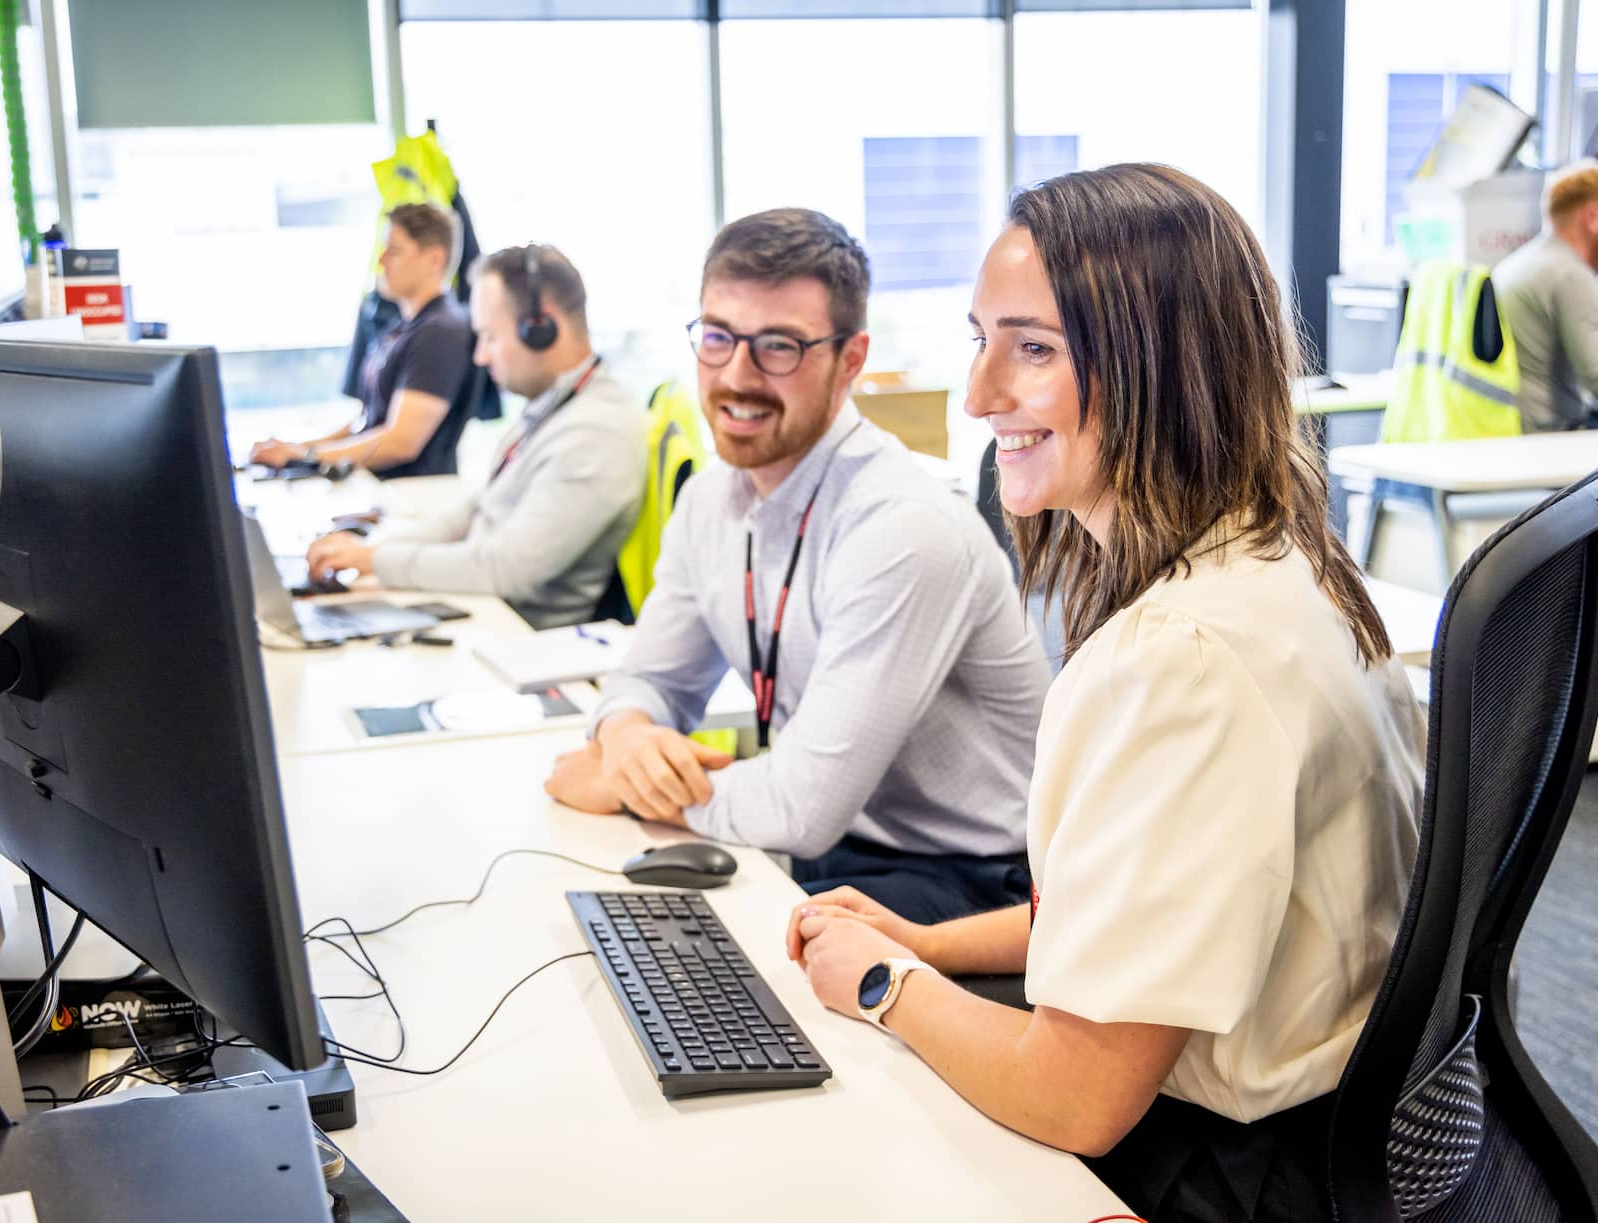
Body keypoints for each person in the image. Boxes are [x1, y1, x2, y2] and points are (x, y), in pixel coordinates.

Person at [785, 165, 1425, 1221]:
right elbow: (1143, 913)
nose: (981, 395)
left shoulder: (1185, 660)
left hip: (1223, 1172)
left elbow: (1076, 1094)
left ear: (1161, 370)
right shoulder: (1282, 566)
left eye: (1032, 348)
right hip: (1316, 1137)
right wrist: (931, 942)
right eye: (980, 338)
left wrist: (881, 984)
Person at [544, 208, 1052, 925]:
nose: (736, 375)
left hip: (974, 884)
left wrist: (618, 786)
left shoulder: (901, 528)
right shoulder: (712, 497)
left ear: (849, 360)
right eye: (717, 338)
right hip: (836, 845)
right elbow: (651, 680)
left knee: (701, 964)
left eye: (777, 346)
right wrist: (624, 735)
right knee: (596, 922)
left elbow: (799, 807)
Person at [303, 245, 646, 630]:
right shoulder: (555, 405)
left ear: (540, 328)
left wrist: (374, 561)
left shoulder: (595, 433)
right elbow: (476, 510)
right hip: (482, 612)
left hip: (514, 637)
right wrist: (373, 550)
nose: (480, 356)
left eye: (490, 337)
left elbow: (505, 569)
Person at [250, 203, 478, 477]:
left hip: (412, 494)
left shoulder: (440, 331)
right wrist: (297, 449)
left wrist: (307, 456)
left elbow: (400, 443)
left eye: (394, 250)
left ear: (434, 259)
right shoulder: (403, 326)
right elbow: (367, 422)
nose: (381, 261)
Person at [1493, 161, 1598, 431]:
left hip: (1516, 427)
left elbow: (1585, 366)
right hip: (1546, 437)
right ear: (1592, 217)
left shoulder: (1534, 259)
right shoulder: (1570, 274)